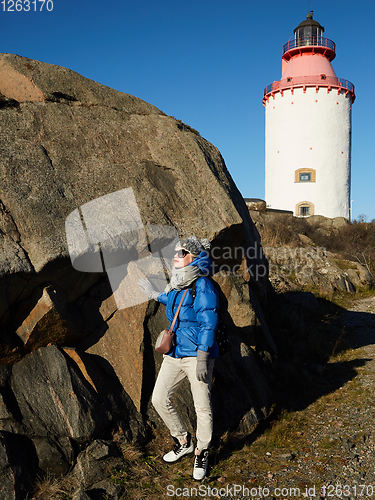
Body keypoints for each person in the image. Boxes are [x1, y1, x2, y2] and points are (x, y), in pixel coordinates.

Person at [139, 236, 219, 480]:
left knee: (202, 408)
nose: (176, 255)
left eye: (182, 252)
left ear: (194, 258)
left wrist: (204, 356)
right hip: (174, 354)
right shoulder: (178, 283)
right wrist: (154, 294)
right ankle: (183, 441)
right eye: (175, 251)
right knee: (159, 399)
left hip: (196, 356)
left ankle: (201, 452)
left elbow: (209, 322)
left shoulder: (202, 284)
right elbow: (173, 300)